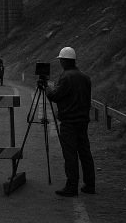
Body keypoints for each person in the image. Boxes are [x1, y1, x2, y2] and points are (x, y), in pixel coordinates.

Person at [42, 46, 95, 197]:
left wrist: (47, 89)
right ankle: (90, 184)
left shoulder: (66, 77)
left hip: (69, 122)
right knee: (85, 153)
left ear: (64, 61)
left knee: (70, 154)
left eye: (61, 60)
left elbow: (55, 97)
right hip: (83, 121)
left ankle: (72, 186)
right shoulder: (85, 77)